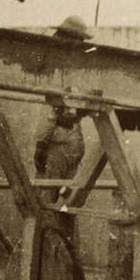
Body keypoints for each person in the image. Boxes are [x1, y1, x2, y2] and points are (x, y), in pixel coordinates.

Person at [33, 16, 94, 181]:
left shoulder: (59, 68)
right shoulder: (80, 67)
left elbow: (51, 112)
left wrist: (41, 144)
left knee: (45, 194)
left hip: (58, 141)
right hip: (76, 141)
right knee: (63, 197)